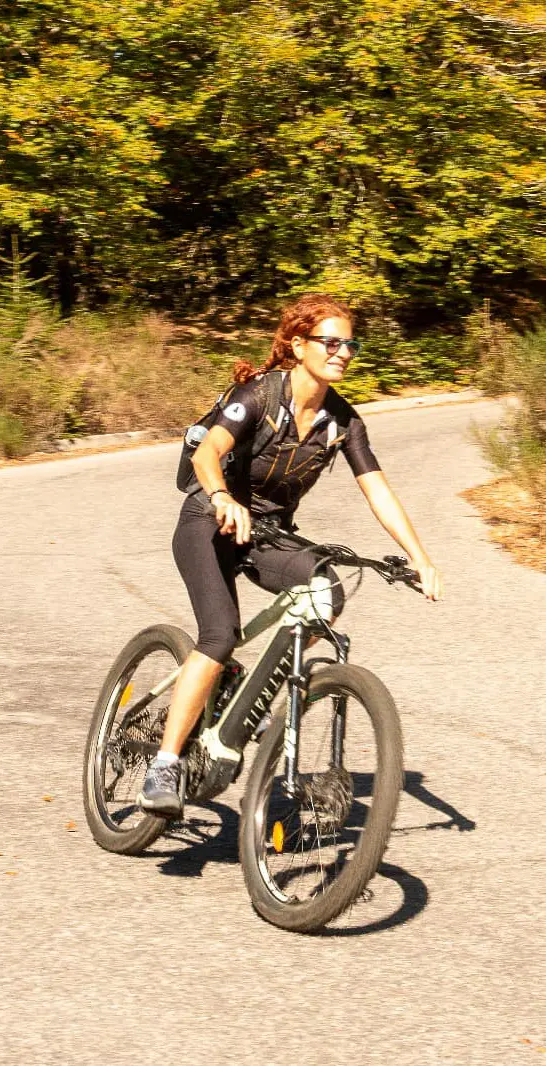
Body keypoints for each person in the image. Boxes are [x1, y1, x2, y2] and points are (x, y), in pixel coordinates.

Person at [138, 293, 442, 817]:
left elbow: (378, 489)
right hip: (208, 521)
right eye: (331, 342)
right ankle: (164, 765)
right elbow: (208, 451)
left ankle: (246, 702)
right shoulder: (257, 395)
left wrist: (419, 555)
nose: (343, 352)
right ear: (298, 345)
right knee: (218, 635)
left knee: (326, 590)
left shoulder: (343, 421)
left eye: (351, 344)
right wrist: (221, 497)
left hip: (268, 533)